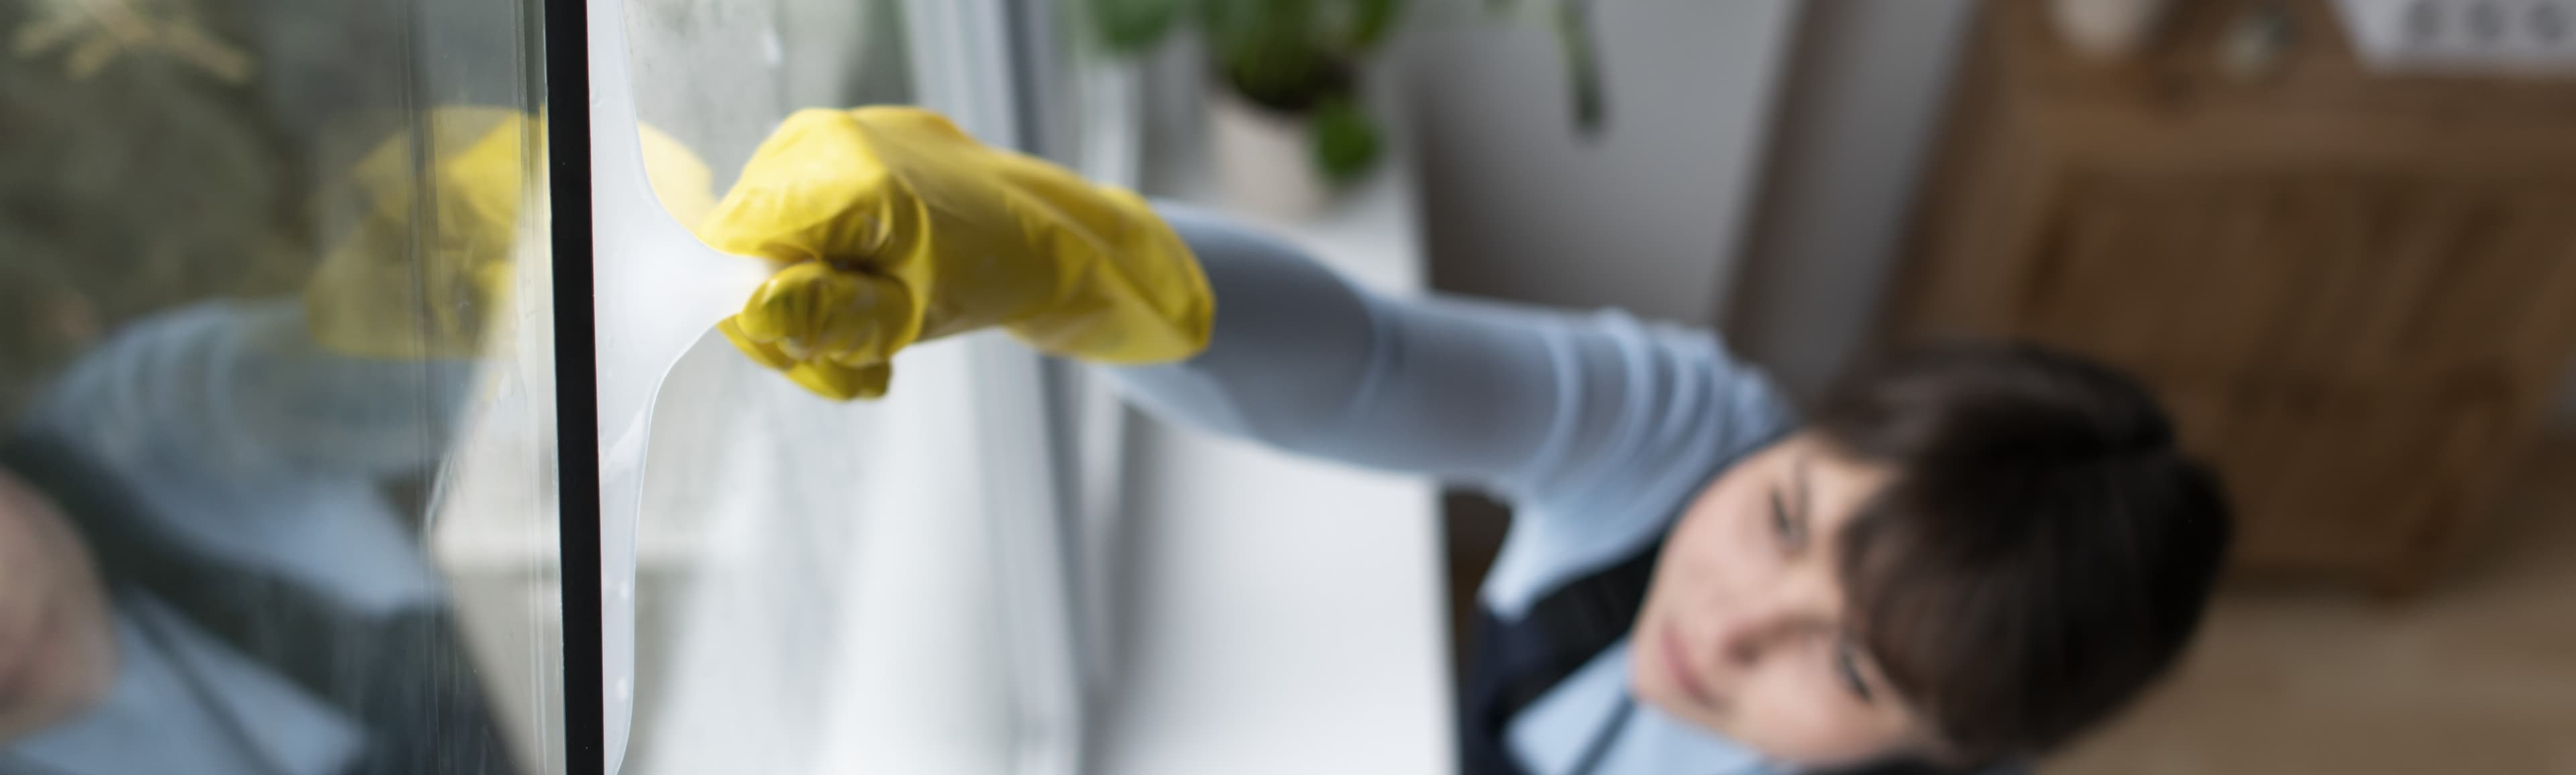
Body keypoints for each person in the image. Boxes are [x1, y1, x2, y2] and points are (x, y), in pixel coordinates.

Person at [701, 107, 2235, 775]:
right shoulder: (1692, 435)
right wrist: (1060, 258)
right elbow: (1367, 367)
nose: (1727, 624)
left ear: (1956, 745)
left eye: (1850, 664)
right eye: (1786, 515)